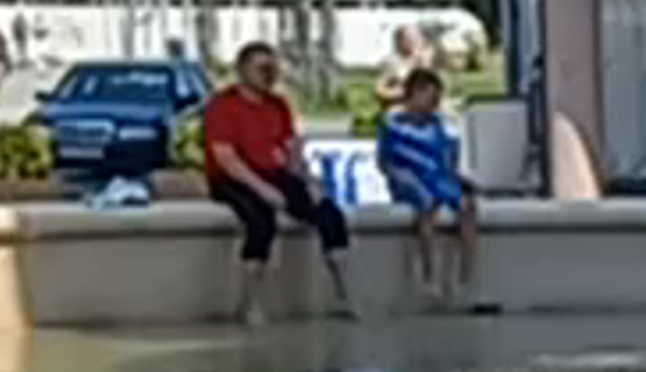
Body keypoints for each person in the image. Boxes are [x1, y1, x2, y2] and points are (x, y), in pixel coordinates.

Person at [199, 48, 352, 319]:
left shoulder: (278, 105)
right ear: (242, 71)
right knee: (260, 220)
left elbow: (290, 150)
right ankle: (251, 303)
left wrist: (307, 181)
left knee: (329, 213)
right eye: (262, 69)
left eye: (273, 69)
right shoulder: (222, 106)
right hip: (232, 177)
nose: (269, 75)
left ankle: (344, 294)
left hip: (273, 173)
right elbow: (226, 158)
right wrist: (262, 189)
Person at [374, 58, 482, 296]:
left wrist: (461, 181)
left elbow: (447, 163)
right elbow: (384, 162)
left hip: (436, 178)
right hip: (408, 178)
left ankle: (466, 277)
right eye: (430, 98)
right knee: (425, 203)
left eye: (436, 100)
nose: (434, 105)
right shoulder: (392, 124)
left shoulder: (437, 125)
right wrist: (400, 177)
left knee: (467, 206)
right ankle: (429, 274)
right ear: (414, 94)